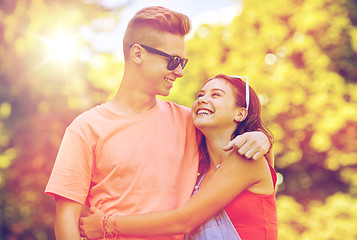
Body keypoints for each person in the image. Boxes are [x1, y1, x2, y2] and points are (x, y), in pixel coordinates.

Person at [45, 6, 272, 240]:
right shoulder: (85, 128)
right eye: (173, 61)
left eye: (183, 62)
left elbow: (239, 148)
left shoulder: (191, 122)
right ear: (138, 54)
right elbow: (66, 220)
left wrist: (261, 137)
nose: (180, 72)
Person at [79, 74, 277, 240]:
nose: (202, 99)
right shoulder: (198, 174)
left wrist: (107, 224)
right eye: (201, 94)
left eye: (216, 95)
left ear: (240, 114)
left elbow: (182, 221)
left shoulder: (247, 160)